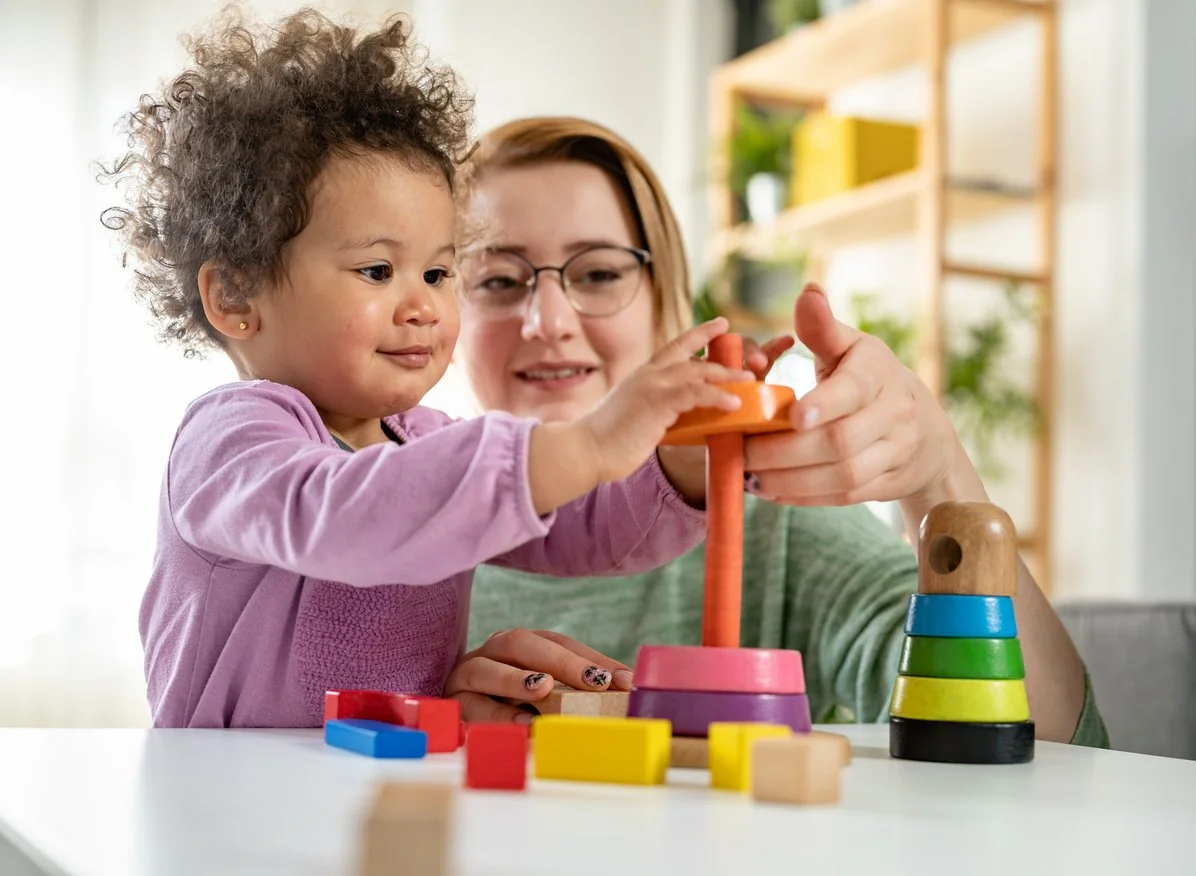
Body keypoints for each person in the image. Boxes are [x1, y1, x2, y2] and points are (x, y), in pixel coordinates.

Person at [99, 11, 759, 728]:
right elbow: (346, 513)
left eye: (441, 271)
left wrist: (680, 463)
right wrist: (589, 443)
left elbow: (581, 524)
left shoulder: (427, 442)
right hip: (231, 798)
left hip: (387, 790)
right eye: (378, 270)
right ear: (234, 296)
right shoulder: (230, 441)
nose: (424, 306)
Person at [454, 116, 1108, 747]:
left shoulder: (772, 521)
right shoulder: (385, 523)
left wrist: (939, 479)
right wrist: (421, 721)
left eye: (598, 273)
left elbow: (1045, 746)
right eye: (498, 280)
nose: (549, 320)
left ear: (665, 300)